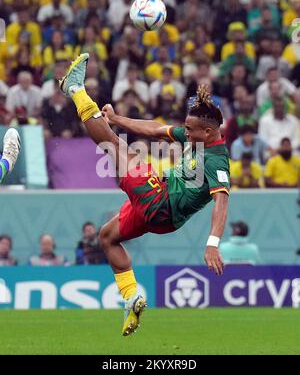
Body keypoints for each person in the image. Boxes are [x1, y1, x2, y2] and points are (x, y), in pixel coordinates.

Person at [59, 54, 230, 336]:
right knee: (107, 236)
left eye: (189, 130)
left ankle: (75, 89)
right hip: (161, 212)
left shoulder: (216, 161)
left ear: (209, 131)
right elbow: (156, 129)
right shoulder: (197, 135)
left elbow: (222, 201)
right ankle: (131, 297)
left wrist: (212, 243)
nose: (185, 133)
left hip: (161, 204)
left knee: (113, 145)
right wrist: (117, 118)